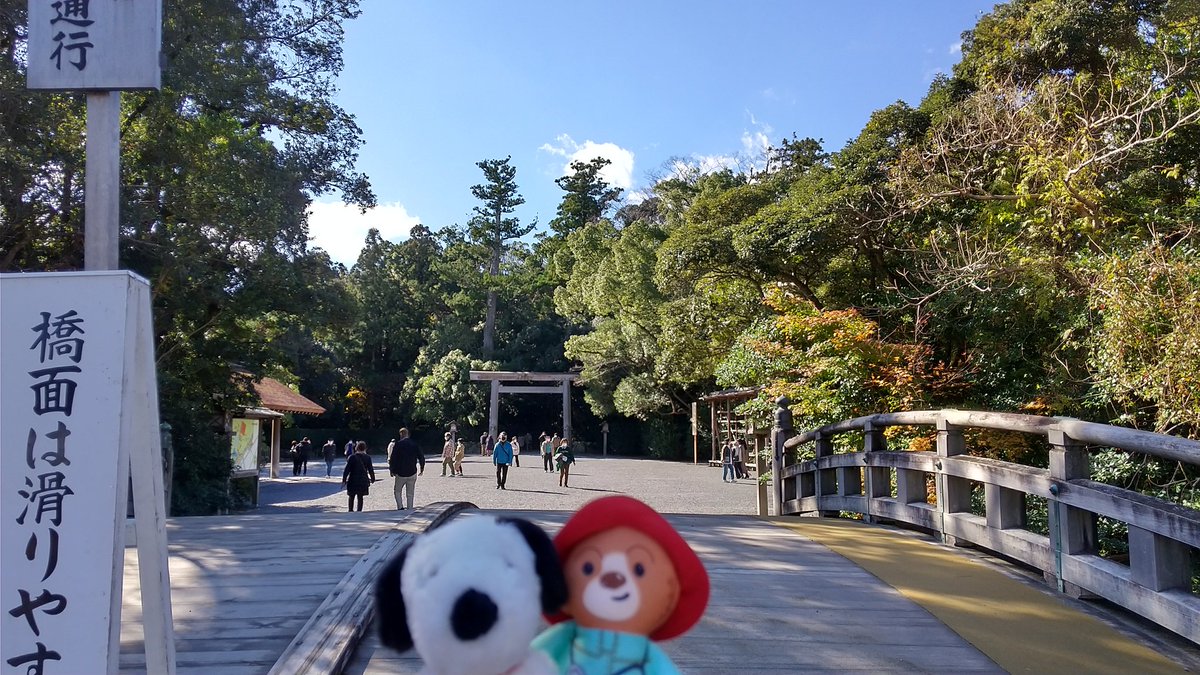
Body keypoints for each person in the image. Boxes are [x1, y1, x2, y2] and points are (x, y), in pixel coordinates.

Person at [388, 427, 425, 510]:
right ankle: (410, 507)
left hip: (400, 472)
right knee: (410, 493)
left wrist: (392, 470)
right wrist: (422, 468)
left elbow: (393, 458)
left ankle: (400, 507)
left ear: (401, 434)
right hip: (412, 471)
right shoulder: (414, 444)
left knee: (397, 491)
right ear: (408, 434)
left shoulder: (398, 444)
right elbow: (421, 457)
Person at [341, 440, 376, 512]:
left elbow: (347, 470)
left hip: (353, 479)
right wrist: (373, 478)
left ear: (356, 448)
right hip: (363, 479)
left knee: (351, 496)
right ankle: (359, 511)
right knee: (360, 497)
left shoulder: (352, 457)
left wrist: (344, 480)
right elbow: (370, 469)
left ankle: (350, 510)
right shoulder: (367, 457)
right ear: (365, 448)